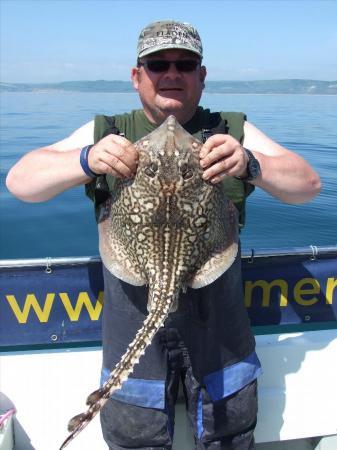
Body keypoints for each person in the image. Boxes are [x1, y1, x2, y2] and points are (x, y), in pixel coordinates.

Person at [6, 20, 320, 450]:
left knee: (230, 438)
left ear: (201, 77)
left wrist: (250, 163)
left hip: (221, 341)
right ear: (138, 76)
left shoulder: (231, 129)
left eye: (184, 64)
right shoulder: (107, 131)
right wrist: (86, 158)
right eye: (158, 64)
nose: (172, 73)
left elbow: (308, 186)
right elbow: (20, 182)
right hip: (134, 339)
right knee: (137, 440)